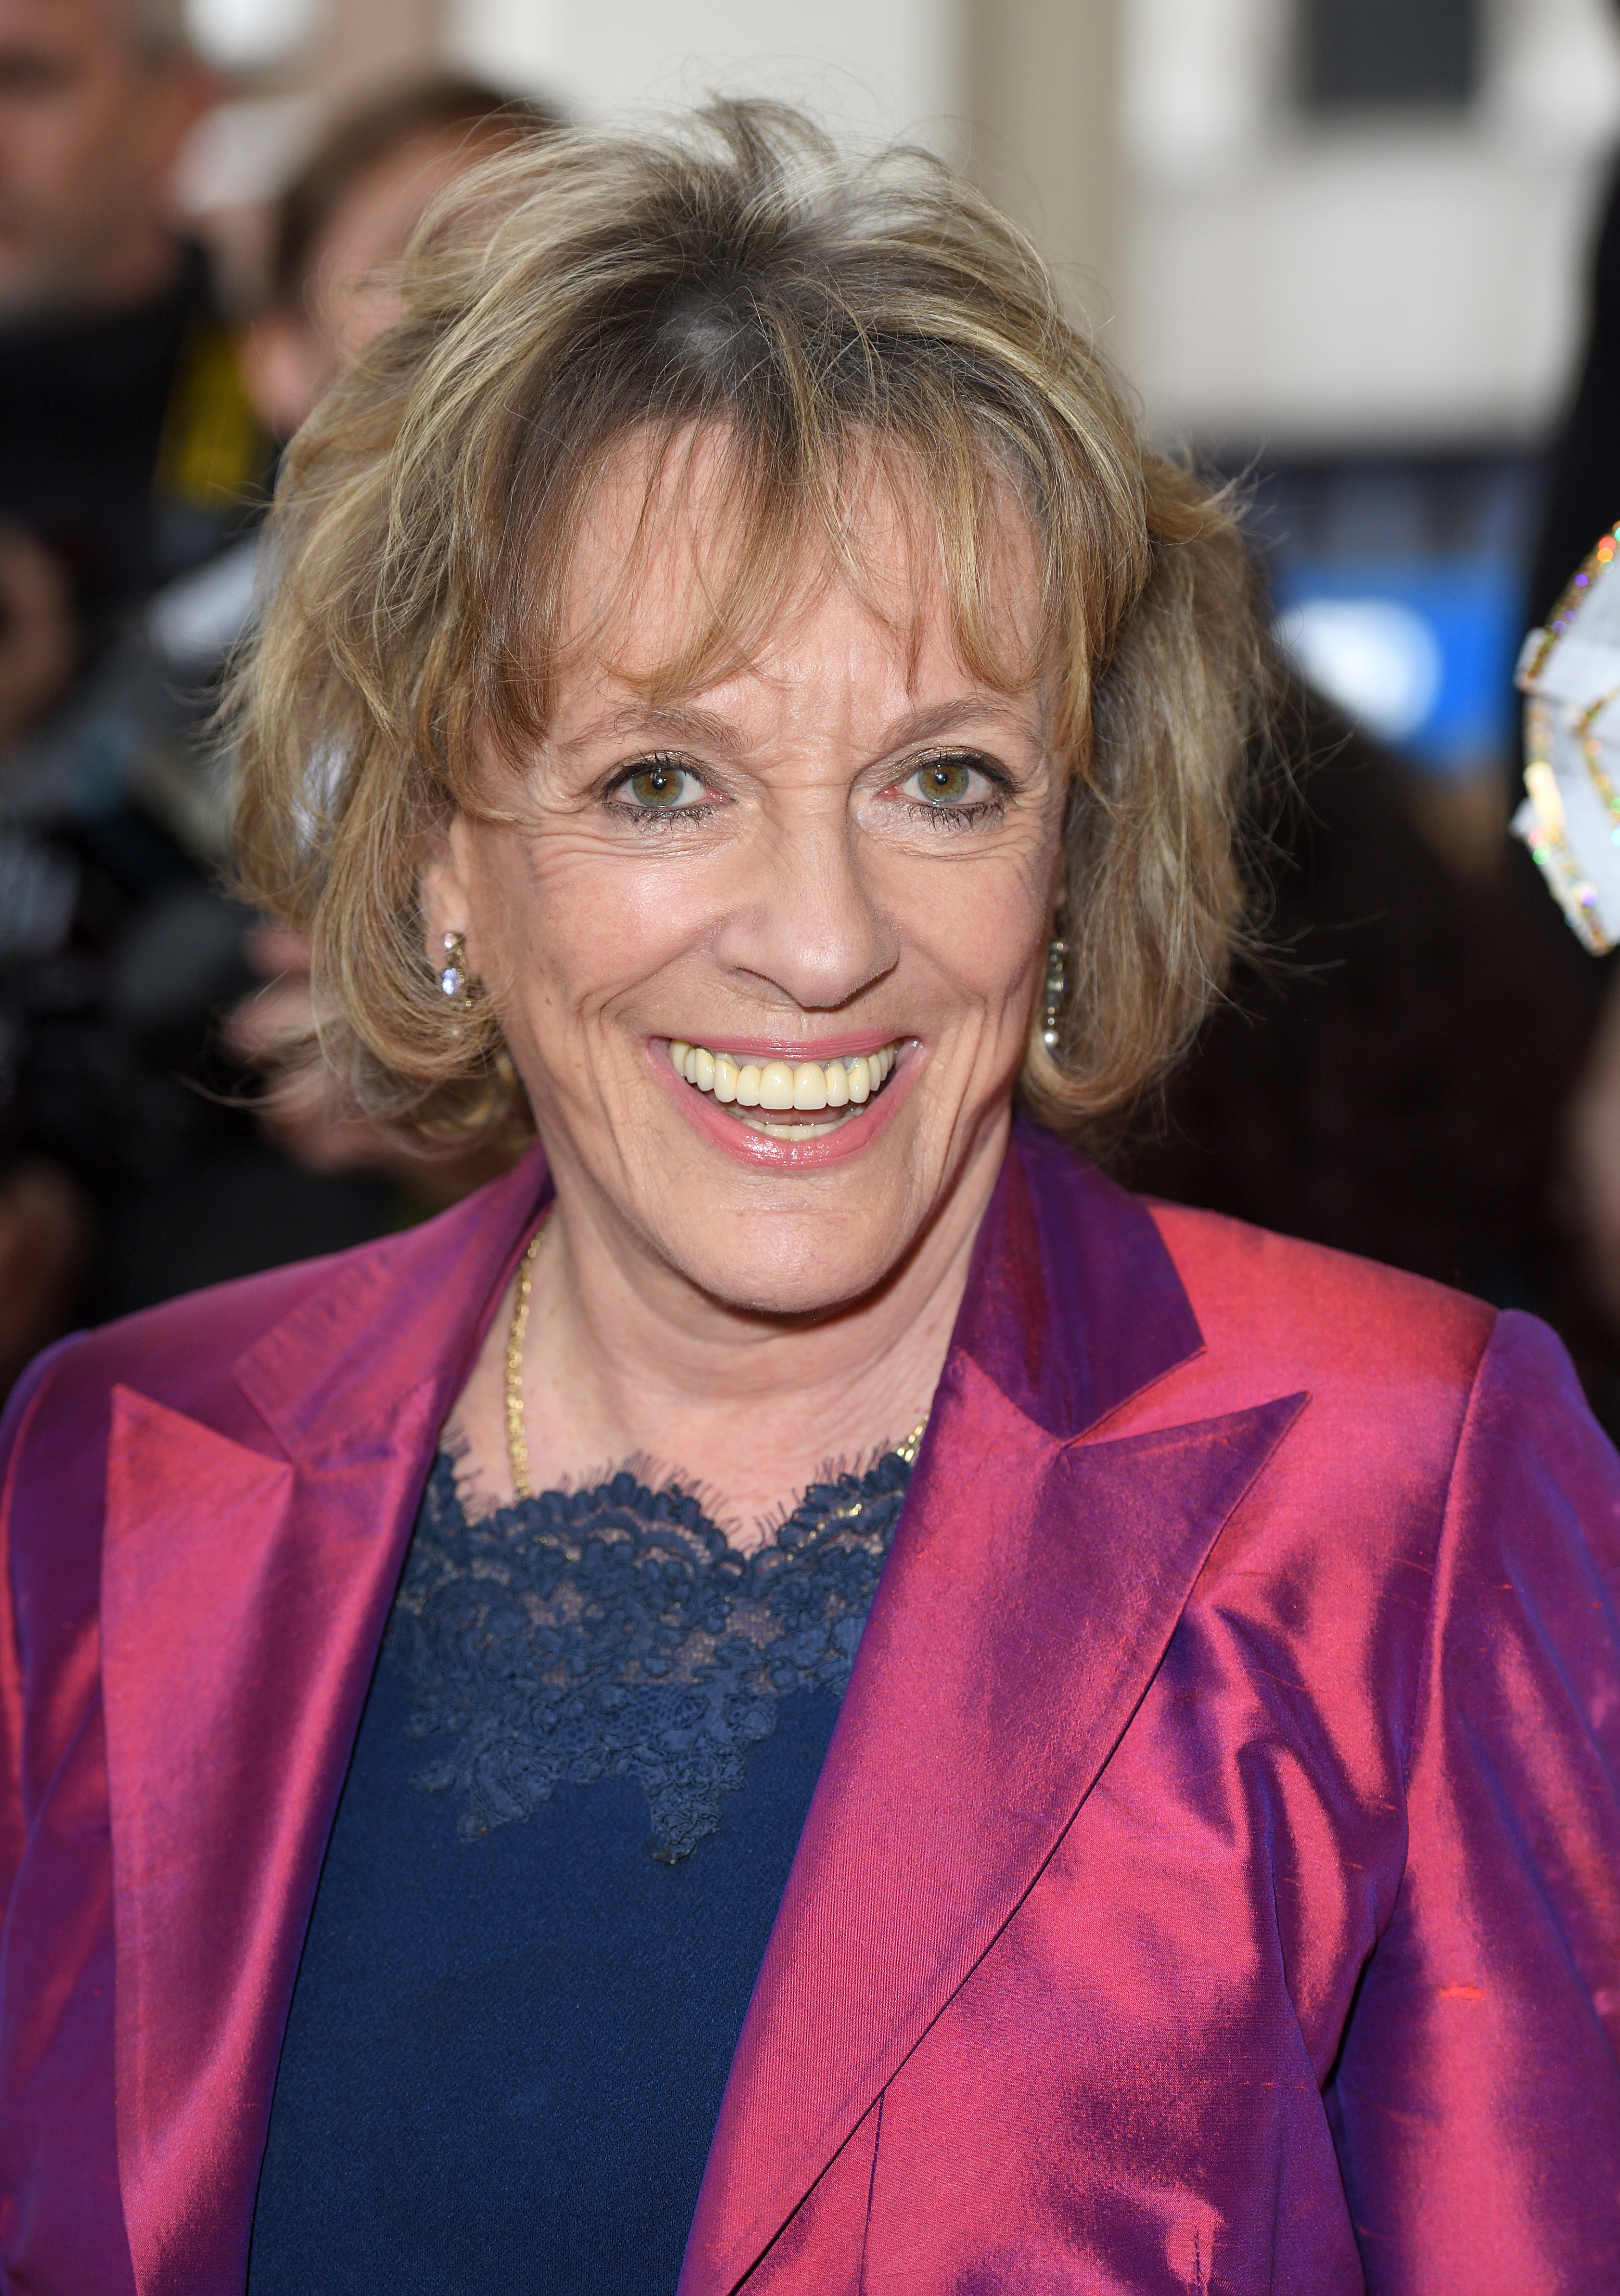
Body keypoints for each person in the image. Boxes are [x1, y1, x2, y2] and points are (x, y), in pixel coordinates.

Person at [2, 102, 1618, 2296]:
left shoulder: (1396, 1494)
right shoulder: (114, 1469)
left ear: (1071, 850)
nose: (826, 936)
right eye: (663, 781)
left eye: (945, 780)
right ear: (441, 852)